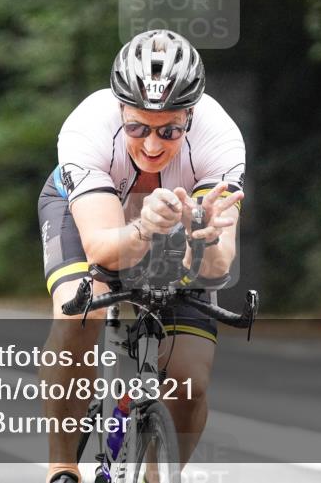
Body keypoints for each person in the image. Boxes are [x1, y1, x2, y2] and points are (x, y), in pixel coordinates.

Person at [37, 30, 246, 483]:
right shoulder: (87, 127)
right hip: (93, 216)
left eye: (169, 130)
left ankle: (155, 477)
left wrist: (203, 239)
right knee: (79, 312)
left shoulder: (220, 138)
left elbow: (219, 264)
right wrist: (145, 227)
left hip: (175, 225)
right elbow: (102, 249)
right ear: (120, 111)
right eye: (137, 127)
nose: (152, 145)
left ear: (190, 116)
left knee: (190, 378)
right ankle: (62, 467)